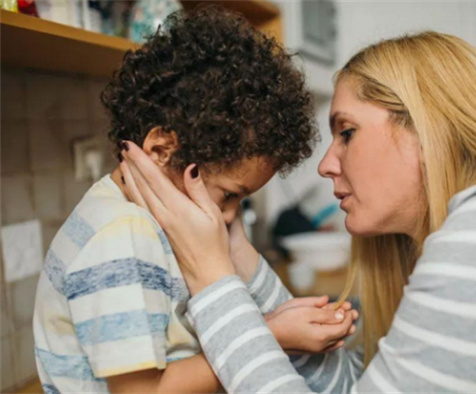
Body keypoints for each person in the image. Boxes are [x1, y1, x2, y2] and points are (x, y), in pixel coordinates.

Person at [119, 31, 476, 393]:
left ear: (426, 126)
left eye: (346, 132)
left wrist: (211, 280)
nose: (327, 164)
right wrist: (234, 252)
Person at [32, 6, 356, 394]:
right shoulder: (123, 236)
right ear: (161, 150)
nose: (230, 215)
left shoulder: (144, 224)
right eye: (230, 195)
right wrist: (271, 334)